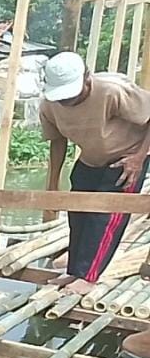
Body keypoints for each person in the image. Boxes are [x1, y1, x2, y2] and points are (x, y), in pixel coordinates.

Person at [39, 51, 150, 296]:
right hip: (91, 157)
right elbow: (57, 141)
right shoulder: (49, 104)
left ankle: (88, 278)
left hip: (126, 157)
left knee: (105, 217)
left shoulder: (111, 91)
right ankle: (73, 271)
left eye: (72, 95)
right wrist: (52, 184)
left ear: (87, 79)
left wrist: (139, 158)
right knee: (78, 212)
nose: (67, 102)